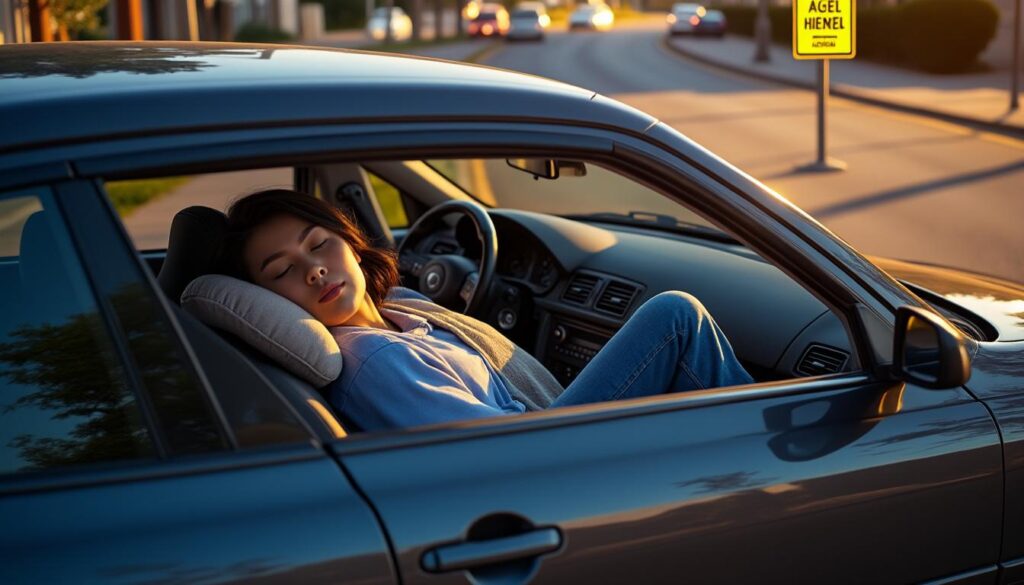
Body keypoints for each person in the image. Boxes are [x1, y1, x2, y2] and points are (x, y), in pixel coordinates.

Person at [223, 189, 753, 431]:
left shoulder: (399, 313)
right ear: (268, 298)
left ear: (352, 243)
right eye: (281, 271)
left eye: (317, 244)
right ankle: (772, 449)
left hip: (543, 434)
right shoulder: (373, 364)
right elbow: (502, 456)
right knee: (674, 319)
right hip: (547, 461)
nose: (313, 270)